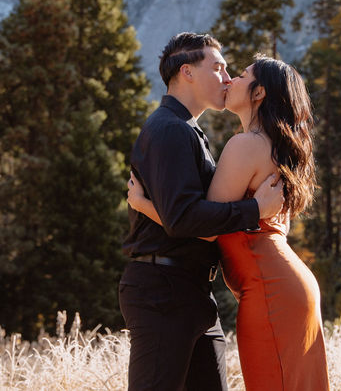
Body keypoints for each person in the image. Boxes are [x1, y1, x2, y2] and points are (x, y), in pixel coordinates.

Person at [129, 55, 330, 391]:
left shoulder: (245, 145)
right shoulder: (273, 146)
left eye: (239, 75)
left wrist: (142, 204)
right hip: (288, 285)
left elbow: (204, 229)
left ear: (259, 93)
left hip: (269, 291)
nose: (229, 81)